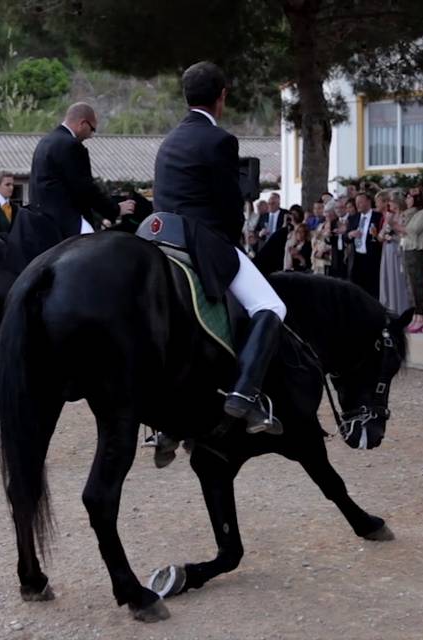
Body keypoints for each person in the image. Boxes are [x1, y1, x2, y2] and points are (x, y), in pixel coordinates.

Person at [154, 61, 286, 433]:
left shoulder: (169, 139)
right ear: (221, 97)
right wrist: (235, 239)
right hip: (201, 240)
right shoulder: (220, 140)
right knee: (271, 305)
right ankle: (245, 394)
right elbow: (229, 208)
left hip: (162, 237)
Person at [29, 102, 135, 239]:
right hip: (67, 224)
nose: (91, 136)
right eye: (92, 129)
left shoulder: (45, 142)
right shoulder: (71, 145)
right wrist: (115, 209)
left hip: (42, 223)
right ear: (82, 123)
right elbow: (85, 189)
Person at [401, 190, 423, 332]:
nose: (406, 200)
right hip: (407, 249)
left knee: (417, 284)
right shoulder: (408, 213)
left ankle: (420, 316)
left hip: (417, 250)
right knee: (410, 285)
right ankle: (415, 316)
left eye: (409, 197)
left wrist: (397, 226)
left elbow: (413, 230)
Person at [378, 192, 412, 315]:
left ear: (397, 202)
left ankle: (402, 309)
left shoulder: (405, 216)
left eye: (391, 201)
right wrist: (383, 235)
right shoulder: (389, 216)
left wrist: (393, 235)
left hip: (399, 250)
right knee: (388, 279)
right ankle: (389, 308)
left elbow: (407, 233)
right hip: (387, 251)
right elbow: (380, 235)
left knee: (399, 279)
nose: (389, 204)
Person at [348, 192, 383, 298]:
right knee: (357, 287)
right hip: (357, 257)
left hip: (372, 258)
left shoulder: (378, 217)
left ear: (368, 202)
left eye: (360, 202)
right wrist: (350, 234)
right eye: (356, 202)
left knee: (372, 287)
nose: (358, 205)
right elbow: (346, 236)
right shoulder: (353, 218)